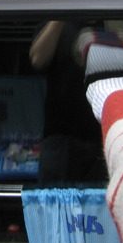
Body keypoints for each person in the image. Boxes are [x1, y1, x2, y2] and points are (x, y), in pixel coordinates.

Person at [29, 20, 107, 184]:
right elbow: (38, 59)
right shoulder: (58, 22)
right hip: (60, 136)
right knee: (52, 198)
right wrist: (60, 18)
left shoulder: (108, 20)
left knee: (100, 198)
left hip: (103, 134)